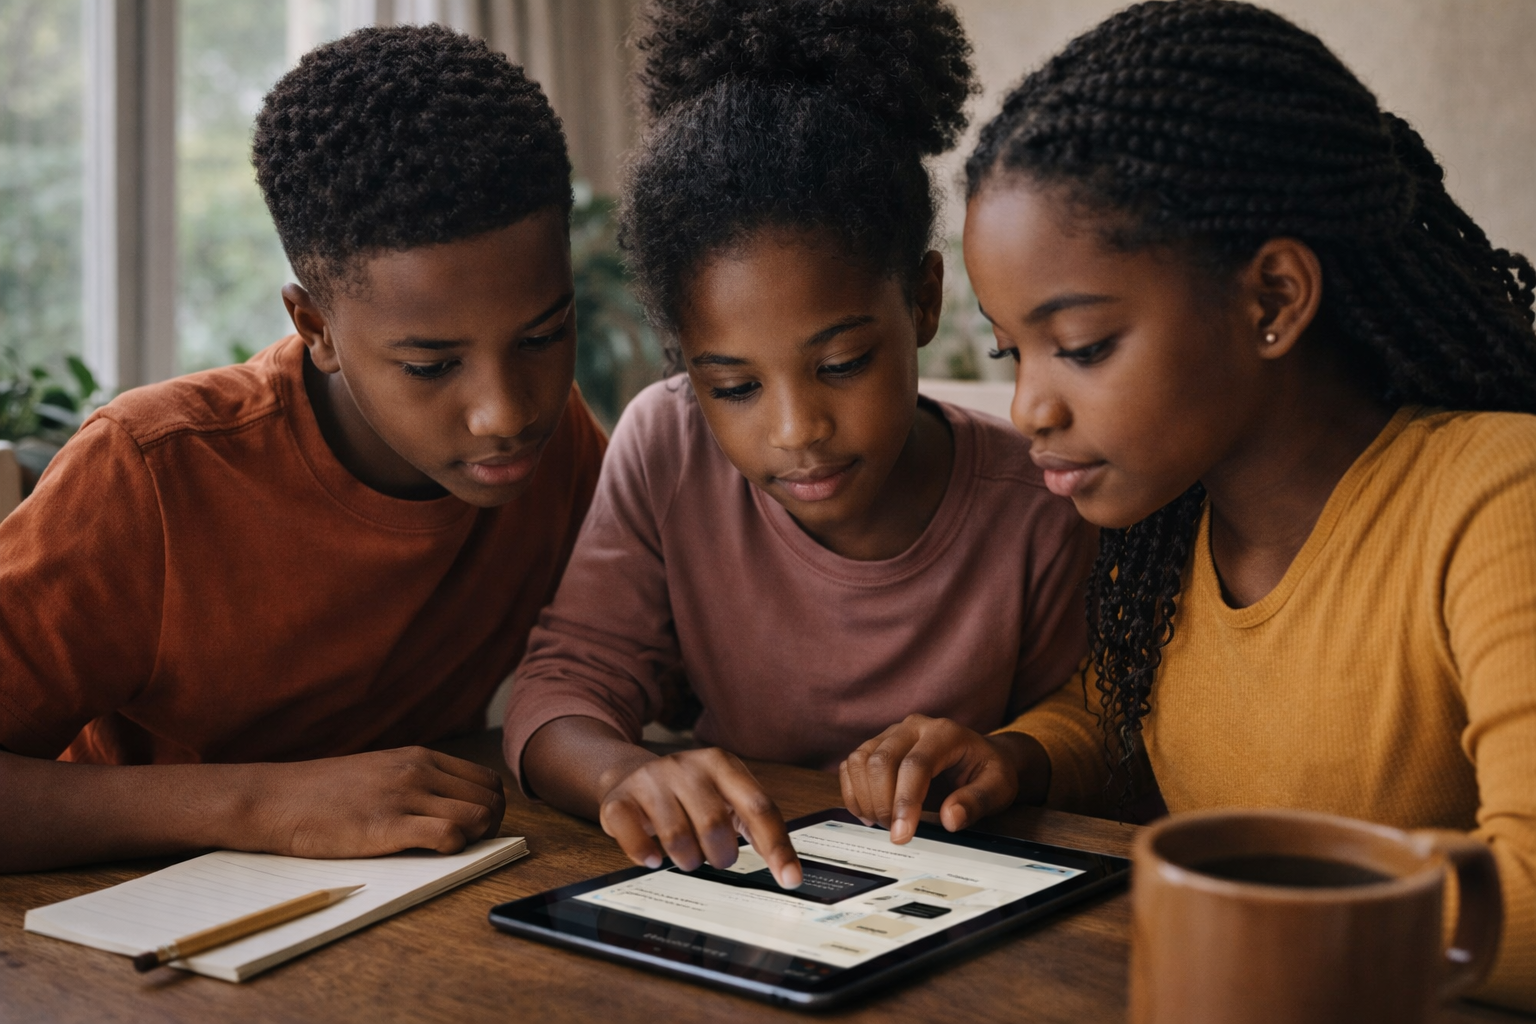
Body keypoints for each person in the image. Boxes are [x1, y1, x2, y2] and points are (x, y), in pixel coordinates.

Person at [843, 1, 1536, 1009]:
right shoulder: (1173, 526)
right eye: (1010, 352)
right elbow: (1128, 716)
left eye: (1079, 346)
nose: (1030, 405)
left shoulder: (1495, 497)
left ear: (1271, 301)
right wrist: (1019, 757)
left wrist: (1214, 907)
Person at [505, 0, 1095, 890]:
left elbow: (1094, 719)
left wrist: (1010, 752)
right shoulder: (668, 445)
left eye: (844, 362)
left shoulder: (1034, 500)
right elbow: (561, 689)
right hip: (745, 897)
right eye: (733, 386)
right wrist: (623, 773)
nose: (795, 431)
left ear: (925, 301)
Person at [0, 25, 606, 873]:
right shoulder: (150, 474)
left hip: (405, 910)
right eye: (431, 365)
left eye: (544, 336)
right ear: (315, 327)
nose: (505, 413)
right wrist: (268, 803)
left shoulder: (562, 445)